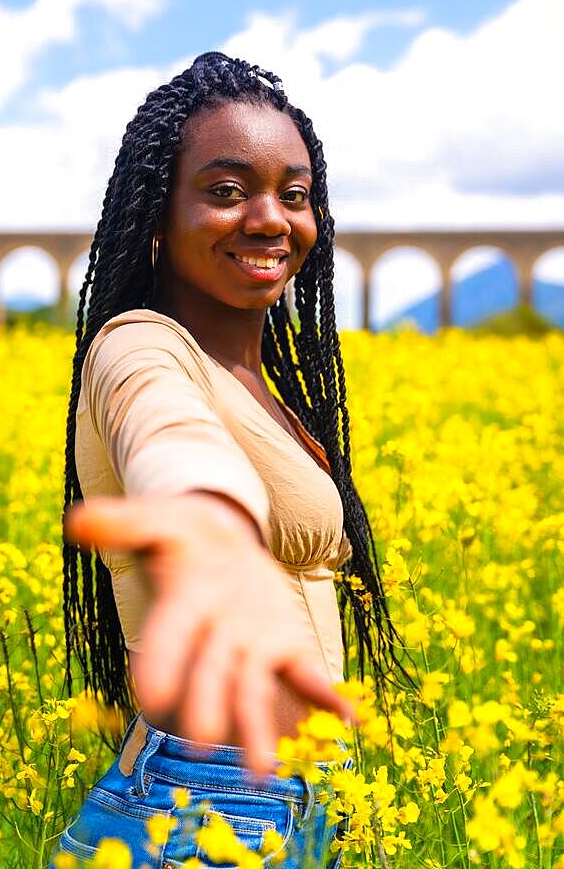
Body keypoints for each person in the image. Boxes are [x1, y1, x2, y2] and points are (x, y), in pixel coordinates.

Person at [48, 51, 411, 869]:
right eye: (224, 191)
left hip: (300, 802)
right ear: (154, 215)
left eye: (294, 193)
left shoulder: (268, 388)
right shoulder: (138, 346)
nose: (270, 219)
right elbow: (172, 445)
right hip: (200, 815)